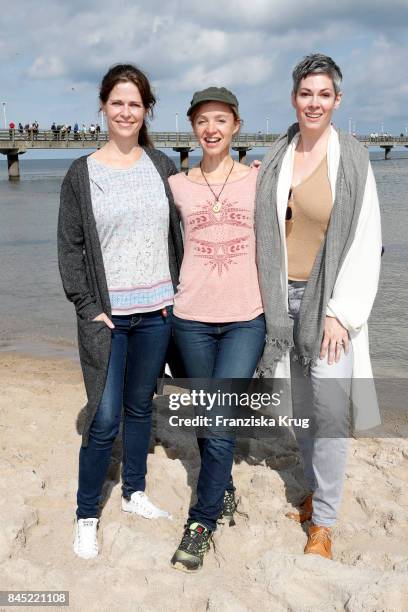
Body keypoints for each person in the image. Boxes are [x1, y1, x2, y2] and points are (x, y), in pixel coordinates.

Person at [255, 54, 382, 559]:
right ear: (293, 98)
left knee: (329, 411)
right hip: (280, 300)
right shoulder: (276, 156)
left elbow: (366, 238)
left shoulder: (352, 158)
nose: (314, 102)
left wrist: (342, 313)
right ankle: (311, 495)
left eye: (323, 94)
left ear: (337, 100)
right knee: (301, 410)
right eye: (306, 93)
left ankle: (325, 523)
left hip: (328, 303)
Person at [58, 63, 183, 560]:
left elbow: (196, 214)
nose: (126, 111)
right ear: (104, 108)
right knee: (104, 417)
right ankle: (86, 514)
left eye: (135, 103)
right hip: (107, 318)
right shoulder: (81, 173)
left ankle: (134, 493)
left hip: (156, 312)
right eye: (118, 103)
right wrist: (87, 306)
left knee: (139, 408)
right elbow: (70, 247)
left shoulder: (162, 167)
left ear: (145, 109)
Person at [168, 87, 266, 572]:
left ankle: (200, 522)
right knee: (208, 418)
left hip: (246, 317)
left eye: (221, 120)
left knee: (219, 416)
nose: (211, 129)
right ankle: (222, 486)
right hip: (190, 318)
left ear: (236, 126)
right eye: (203, 121)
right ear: (193, 128)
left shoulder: (259, 180)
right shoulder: (176, 185)